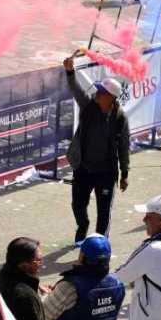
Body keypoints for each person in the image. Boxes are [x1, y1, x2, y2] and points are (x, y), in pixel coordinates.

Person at [62, 57, 131, 242]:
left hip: (106, 172)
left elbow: (124, 145)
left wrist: (124, 173)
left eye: (102, 92)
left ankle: (100, 243)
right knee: (78, 205)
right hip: (83, 168)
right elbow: (76, 89)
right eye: (98, 90)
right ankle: (83, 225)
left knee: (104, 212)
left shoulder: (120, 118)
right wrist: (70, 72)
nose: (98, 94)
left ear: (111, 97)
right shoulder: (88, 106)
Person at [43, 234, 124, 320]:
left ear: (83, 256)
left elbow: (43, 315)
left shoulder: (70, 287)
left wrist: (47, 295)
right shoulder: (117, 285)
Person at [0, 237, 46, 320]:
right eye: (38, 260)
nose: (42, 263)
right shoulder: (25, 297)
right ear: (24, 264)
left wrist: (36, 286)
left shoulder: (0, 278)